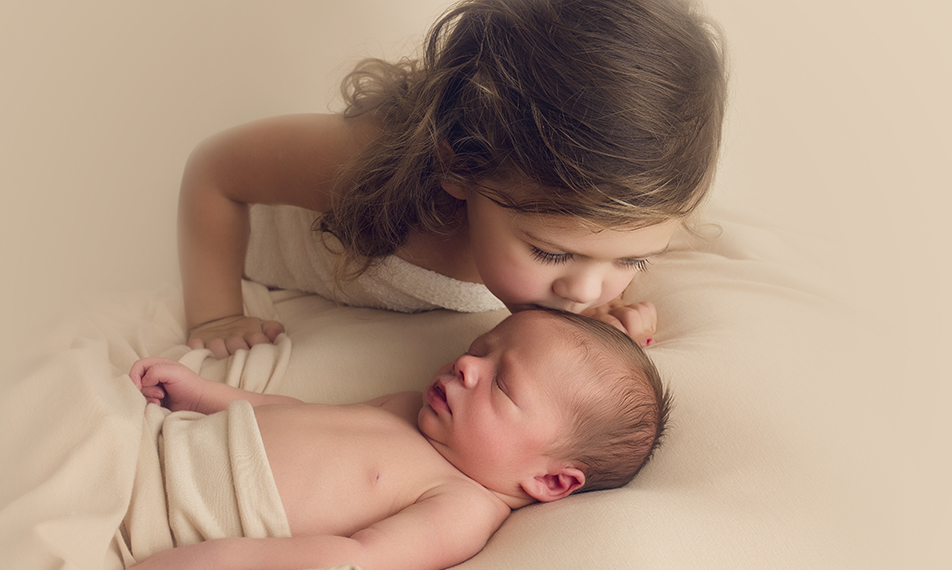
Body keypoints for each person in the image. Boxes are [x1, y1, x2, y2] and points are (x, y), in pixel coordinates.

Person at [180, 0, 726, 358]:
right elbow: (213, 170)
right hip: (270, 262)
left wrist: (602, 311)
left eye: (632, 260)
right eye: (553, 255)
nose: (585, 290)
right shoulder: (355, 163)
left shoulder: (586, 260)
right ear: (459, 165)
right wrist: (217, 314)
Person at [108, 308, 670, 570]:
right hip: (165, 441)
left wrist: (209, 565)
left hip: (185, 511)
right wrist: (209, 395)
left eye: (502, 383)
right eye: (482, 346)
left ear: (549, 480)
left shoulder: (463, 507)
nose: (469, 363)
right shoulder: (410, 407)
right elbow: (303, 418)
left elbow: (356, 559)